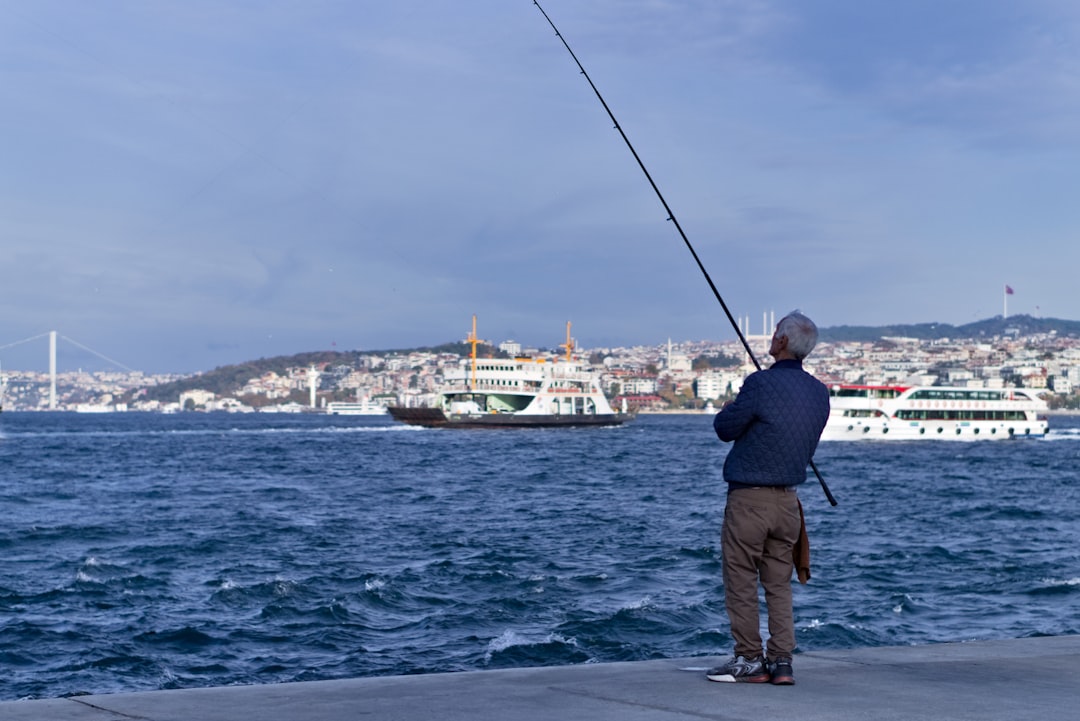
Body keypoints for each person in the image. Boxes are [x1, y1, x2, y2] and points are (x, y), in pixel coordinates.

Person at [706, 310, 830, 686]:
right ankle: (781, 662)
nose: (772, 338)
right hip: (788, 505)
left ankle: (748, 659)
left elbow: (725, 429)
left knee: (742, 579)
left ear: (783, 341)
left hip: (750, 501)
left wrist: (730, 409)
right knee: (778, 584)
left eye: (776, 333)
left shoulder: (759, 384)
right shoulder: (819, 393)